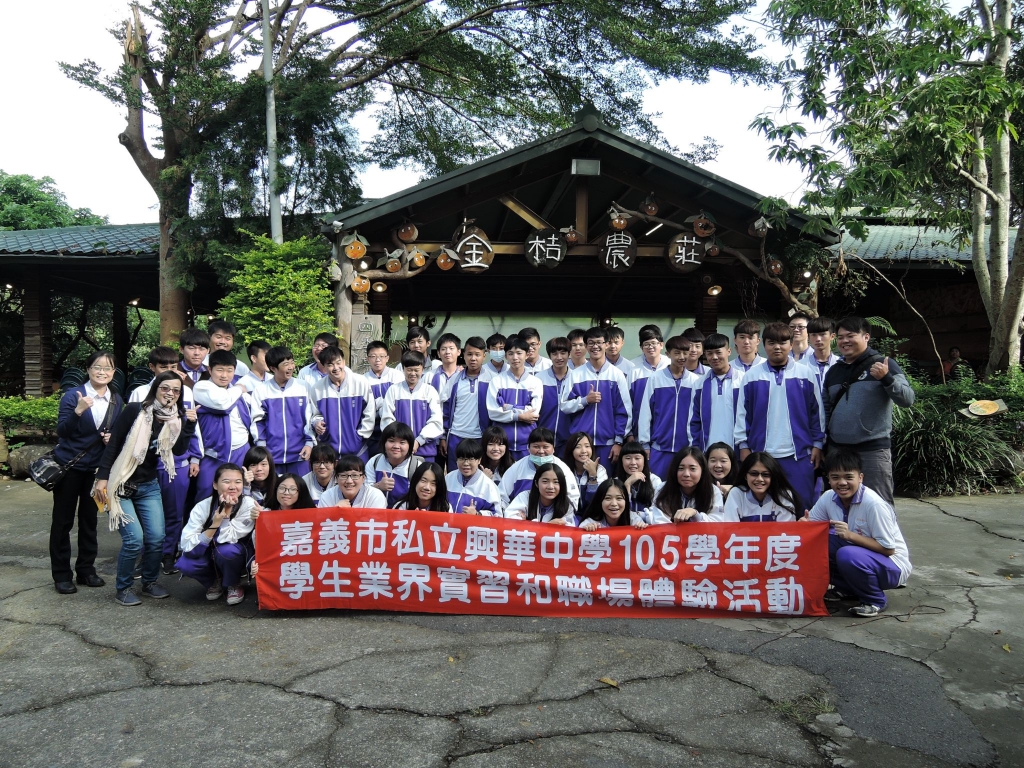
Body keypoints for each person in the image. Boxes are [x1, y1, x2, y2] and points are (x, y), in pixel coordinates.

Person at [94, 371, 198, 606]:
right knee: (134, 540)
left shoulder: (175, 418)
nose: (170, 393)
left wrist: (189, 425)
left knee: (156, 537)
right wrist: (102, 478)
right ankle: (123, 588)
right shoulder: (135, 410)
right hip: (120, 482)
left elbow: (179, 450)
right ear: (155, 389)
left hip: (148, 485)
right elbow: (113, 445)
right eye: (165, 388)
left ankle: (149, 582)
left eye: (176, 390)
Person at [805, 449, 912, 617]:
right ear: (828, 479)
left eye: (849, 477)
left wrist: (850, 536)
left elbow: (888, 549)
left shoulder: (874, 504)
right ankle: (848, 589)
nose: (842, 483)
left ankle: (875, 600)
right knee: (815, 544)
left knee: (847, 554)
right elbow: (810, 527)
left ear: (860, 478)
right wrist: (802, 525)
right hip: (860, 556)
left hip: (892, 566)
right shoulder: (828, 497)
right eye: (835, 477)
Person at [49, 350, 123, 595]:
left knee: (90, 521)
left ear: (113, 372)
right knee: (63, 521)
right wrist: (78, 411)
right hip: (70, 467)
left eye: (107, 368)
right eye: (97, 367)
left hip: (97, 471)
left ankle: (86, 570)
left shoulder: (116, 399)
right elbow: (63, 431)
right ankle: (62, 574)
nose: (102, 372)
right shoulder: (73, 395)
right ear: (88, 370)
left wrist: (112, 438)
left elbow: (117, 433)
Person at [824, 316, 915, 506]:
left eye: (850, 336)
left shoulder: (884, 364)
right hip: (838, 449)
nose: (844, 341)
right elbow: (825, 409)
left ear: (866, 337)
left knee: (878, 504)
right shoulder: (834, 371)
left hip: (872, 450)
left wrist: (886, 378)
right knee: (840, 504)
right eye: (840, 337)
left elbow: (907, 399)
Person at [734, 322, 824, 512]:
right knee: (764, 509)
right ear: (763, 345)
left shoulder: (806, 374)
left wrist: (818, 444)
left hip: (799, 455)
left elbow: (817, 413)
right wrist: (743, 446)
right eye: (771, 342)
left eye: (783, 342)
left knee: (801, 507)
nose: (777, 347)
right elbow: (742, 414)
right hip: (761, 454)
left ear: (791, 344)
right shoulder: (752, 376)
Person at [128, 346, 201, 575]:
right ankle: (147, 556)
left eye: (173, 366)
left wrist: (195, 457)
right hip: (147, 465)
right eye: (163, 367)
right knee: (146, 514)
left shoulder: (185, 392)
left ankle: (168, 554)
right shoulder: (140, 393)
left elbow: (192, 427)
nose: (170, 370)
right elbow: (131, 428)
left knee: (174, 512)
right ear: (152, 368)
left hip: (177, 463)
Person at [178, 463, 255, 605]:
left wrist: (225, 517)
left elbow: (229, 538)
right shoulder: (202, 506)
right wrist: (215, 524)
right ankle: (214, 581)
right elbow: (187, 544)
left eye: (238, 482)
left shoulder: (248, 504)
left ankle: (233, 583)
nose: (233, 487)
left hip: (236, 552)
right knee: (186, 563)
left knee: (227, 551)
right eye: (226, 482)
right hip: (208, 551)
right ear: (215, 485)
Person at [559, 326, 632, 470]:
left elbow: (624, 411)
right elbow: (564, 406)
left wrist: (618, 442)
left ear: (606, 344)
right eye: (591, 343)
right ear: (586, 346)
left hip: (608, 444)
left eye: (599, 342)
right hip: (581, 444)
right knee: (580, 479)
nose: (595, 346)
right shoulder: (576, 375)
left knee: (605, 482)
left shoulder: (616, 375)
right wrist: (585, 400)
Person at [192, 349, 262, 500]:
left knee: (240, 493)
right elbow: (223, 404)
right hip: (212, 453)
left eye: (229, 370)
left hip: (241, 449)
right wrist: (238, 389)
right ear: (210, 370)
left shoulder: (241, 394)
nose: (224, 375)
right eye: (220, 370)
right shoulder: (201, 387)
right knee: (206, 493)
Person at [636, 335, 701, 478]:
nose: (682, 357)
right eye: (677, 353)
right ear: (668, 354)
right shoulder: (655, 379)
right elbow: (645, 412)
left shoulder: (695, 381)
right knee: (656, 487)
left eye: (685, 352)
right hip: (659, 448)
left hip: (686, 450)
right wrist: (644, 444)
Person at [252, 346, 316, 475]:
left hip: (300, 454)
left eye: (292, 362)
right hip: (272, 456)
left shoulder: (303, 387)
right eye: (286, 364)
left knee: (301, 486)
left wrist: (309, 443)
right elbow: (258, 421)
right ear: (273, 368)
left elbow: (310, 417)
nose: (291, 367)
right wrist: (262, 448)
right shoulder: (261, 391)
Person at [309, 345, 375, 459]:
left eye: (338, 362)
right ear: (324, 366)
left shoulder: (360, 382)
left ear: (344, 362)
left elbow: (370, 412)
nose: (336, 367)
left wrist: (359, 436)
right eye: (330, 364)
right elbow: (315, 414)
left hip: (358, 451)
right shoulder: (317, 388)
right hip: (329, 453)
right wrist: (316, 423)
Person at [486, 335, 544, 461]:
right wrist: (519, 416)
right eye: (510, 353)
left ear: (527, 355)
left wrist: (507, 407)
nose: (515, 357)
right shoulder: (496, 381)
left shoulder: (535, 382)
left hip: (527, 443)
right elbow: (493, 412)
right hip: (501, 445)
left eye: (519, 353)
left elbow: (533, 412)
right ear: (506, 356)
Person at [381, 350, 443, 461]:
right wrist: (401, 442)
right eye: (409, 370)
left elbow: (436, 421)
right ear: (403, 369)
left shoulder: (430, 391)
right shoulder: (393, 390)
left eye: (416, 370)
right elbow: (387, 419)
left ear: (422, 369)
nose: (413, 373)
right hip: (399, 452)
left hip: (426, 452)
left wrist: (418, 441)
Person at [439, 336, 490, 471]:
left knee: (478, 476)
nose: (473, 358)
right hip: (456, 436)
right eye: (469, 354)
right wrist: (443, 437)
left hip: (480, 437)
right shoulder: (454, 380)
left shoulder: (491, 380)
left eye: (477, 355)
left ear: (484, 356)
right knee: (454, 475)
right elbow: (444, 409)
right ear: (463, 354)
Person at [499, 427, 581, 510]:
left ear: (553, 448)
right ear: (528, 447)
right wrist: (513, 514)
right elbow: (502, 498)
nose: (541, 451)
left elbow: (572, 500)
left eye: (545, 447)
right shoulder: (517, 468)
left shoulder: (563, 469)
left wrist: (557, 514)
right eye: (536, 446)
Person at [691, 332, 745, 453]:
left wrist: (745, 446)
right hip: (707, 450)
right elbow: (693, 420)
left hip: (737, 449)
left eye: (718, 352)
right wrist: (695, 448)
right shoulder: (699, 384)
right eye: (709, 353)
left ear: (729, 351)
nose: (714, 357)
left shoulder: (743, 381)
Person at [651, 447, 725, 524]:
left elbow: (717, 522)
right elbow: (658, 520)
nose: (686, 474)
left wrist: (696, 515)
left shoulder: (713, 491)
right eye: (681, 468)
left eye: (692, 469)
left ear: (702, 471)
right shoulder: (663, 489)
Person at [722, 451, 799, 522]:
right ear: (745, 475)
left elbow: (786, 530)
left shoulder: (783, 495)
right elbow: (730, 528)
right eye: (754, 474)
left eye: (766, 474)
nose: (759, 479)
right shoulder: (736, 493)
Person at [365, 422, 423, 506]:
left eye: (402, 442)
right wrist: (378, 486)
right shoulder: (374, 461)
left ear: (410, 446)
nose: (396, 446)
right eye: (391, 441)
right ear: (384, 443)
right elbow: (364, 492)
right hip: (377, 511)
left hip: (404, 512)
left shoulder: (417, 467)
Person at [364, 340, 403, 457]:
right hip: (372, 432)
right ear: (367, 359)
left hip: (395, 429)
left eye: (381, 356)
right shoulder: (363, 380)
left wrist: (381, 404)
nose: (377, 360)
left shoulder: (397, 376)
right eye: (373, 356)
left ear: (387, 358)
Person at [504, 464, 576, 525]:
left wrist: (527, 523)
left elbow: (568, 529)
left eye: (556, 482)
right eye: (545, 481)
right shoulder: (525, 497)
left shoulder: (566, 505)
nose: (550, 487)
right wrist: (548, 525)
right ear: (536, 483)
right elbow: (510, 520)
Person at [445, 438, 502, 515]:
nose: (466, 463)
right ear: (456, 460)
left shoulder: (489, 486)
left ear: (479, 460)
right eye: (461, 459)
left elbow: (497, 515)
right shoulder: (448, 478)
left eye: (471, 459)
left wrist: (477, 514)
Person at [536, 336, 572, 454]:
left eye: (563, 353)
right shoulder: (539, 378)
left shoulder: (576, 378)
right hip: (543, 439)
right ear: (549, 355)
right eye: (554, 353)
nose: (559, 357)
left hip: (569, 440)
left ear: (569, 354)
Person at [318, 454, 388, 508]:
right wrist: (334, 511)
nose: (349, 481)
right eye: (343, 475)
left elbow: (377, 521)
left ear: (363, 478)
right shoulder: (327, 496)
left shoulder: (375, 496)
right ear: (336, 478)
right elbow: (321, 521)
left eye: (355, 475)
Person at [613, 441, 663, 517]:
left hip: (648, 523)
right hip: (625, 523)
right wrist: (627, 485)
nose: (633, 462)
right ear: (621, 461)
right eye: (628, 458)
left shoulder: (654, 481)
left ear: (644, 461)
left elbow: (657, 513)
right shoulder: (615, 482)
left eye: (637, 458)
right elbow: (618, 513)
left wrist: (638, 516)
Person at [563, 431, 608, 511]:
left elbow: (596, 502)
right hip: (569, 514)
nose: (584, 451)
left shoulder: (600, 470)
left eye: (587, 446)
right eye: (578, 447)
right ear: (571, 450)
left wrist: (592, 475)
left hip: (593, 514)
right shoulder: (564, 469)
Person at [579, 479, 648, 530]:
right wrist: (587, 531)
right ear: (600, 501)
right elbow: (578, 538)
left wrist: (641, 529)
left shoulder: (634, 520)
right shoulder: (590, 522)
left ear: (626, 501)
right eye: (608, 498)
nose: (614, 504)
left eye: (619, 498)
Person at [803, 316, 840, 392]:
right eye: (813, 335)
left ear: (832, 336)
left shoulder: (840, 364)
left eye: (822, 334)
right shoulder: (801, 365)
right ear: (808, 337)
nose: (818, 339)